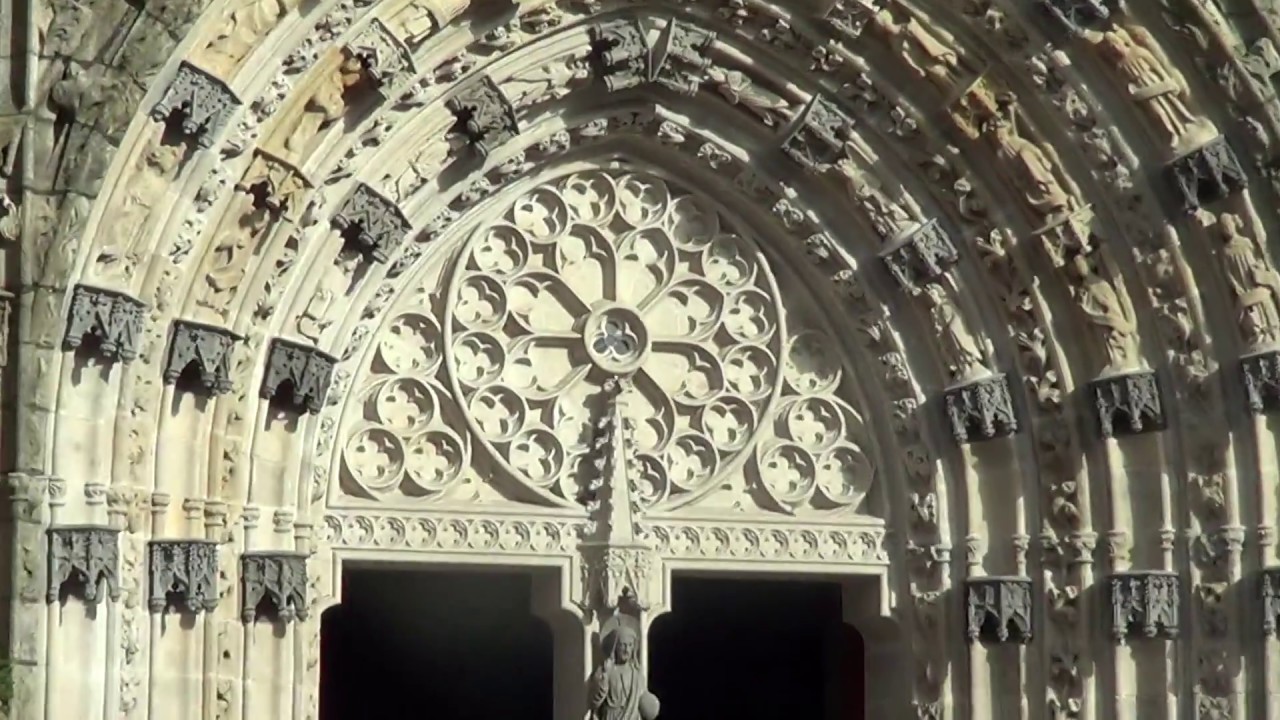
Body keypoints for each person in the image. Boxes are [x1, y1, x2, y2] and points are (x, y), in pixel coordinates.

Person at [590, 626, 660, 720]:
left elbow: (643, 701)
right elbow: (594, 702)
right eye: (623, 645)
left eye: (630, 645)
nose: (626, 650)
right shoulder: (605, 670)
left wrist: (651, 706)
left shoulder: (637, 674)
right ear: (615, 647)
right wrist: (604, 677)